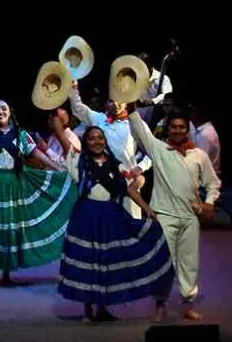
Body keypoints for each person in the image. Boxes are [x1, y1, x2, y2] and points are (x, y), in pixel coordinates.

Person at [52, 119, 174, 324]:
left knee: (106, 260)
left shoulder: (113, 164)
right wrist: (56, 120)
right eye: (91, 138)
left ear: (104, 140)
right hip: (86, 215)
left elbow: (128, 189)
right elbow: (63, 138)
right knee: (89, 260)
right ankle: (88, 310)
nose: (96, 142)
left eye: (100, 138)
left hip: (110, 214)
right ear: (86, 141)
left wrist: (147, 209)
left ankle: (102, 308)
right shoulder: (79, 161)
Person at [0, 99, 75, 287]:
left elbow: (37, 154)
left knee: (11, 228)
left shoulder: (21, 134)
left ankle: (7, 273)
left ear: (10, 112)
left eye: (4, 108)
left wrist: (58, 167)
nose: (0, 112)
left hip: (15, 184)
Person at [130, 111, 221, 322]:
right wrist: (131, 105)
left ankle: (189, 304)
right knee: (164, 263)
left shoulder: (198, 155)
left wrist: (209, 202)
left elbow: (213, 182)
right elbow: (141, 130)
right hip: (165, 217)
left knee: (189, 263)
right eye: (174, 127)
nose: (178, 130)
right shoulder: (159, 149)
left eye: (182, 127)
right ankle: (160, 304)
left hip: (190, 217)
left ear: (187, 130)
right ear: (167, 129)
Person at [69, 83, 153, 218]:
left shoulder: (136, 123)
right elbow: (78, 108)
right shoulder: (99, 119)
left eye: (120, 100)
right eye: (111, 100)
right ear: (106, 104)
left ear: (126, 102)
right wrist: (73, 87)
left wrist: (140, 168)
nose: (115, 104)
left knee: (131, 226)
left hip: (128, 184)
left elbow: (153, 151)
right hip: (101, 182)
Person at [190, 105, 220, 177]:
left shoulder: (206, 134)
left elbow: (201, 162)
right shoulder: (197, 129)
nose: (190, 114)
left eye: (192, 111)